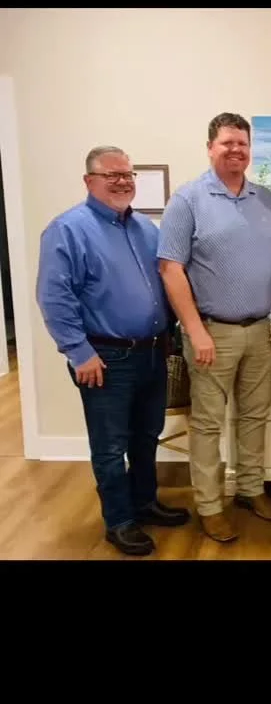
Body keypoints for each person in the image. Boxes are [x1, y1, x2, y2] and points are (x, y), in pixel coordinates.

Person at [36, 146, 190, 557]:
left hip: (152, 353)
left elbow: (165, 283)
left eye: (127, 174)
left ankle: (145, 503)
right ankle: (119, 521)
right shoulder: (67, 230)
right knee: (110, 446)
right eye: (112, 175)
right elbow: (54, 297)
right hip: (105, 359)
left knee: (146, 436)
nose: (122, 181)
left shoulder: (146, 229)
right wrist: (78, 351)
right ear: (89, 181)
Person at [157, 112, 271, 543]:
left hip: (260, 330)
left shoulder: (266, 200)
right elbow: (170, 268)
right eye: (227, 143)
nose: (236, 150)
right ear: (210, 148)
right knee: (207, 424)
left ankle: (251, 489)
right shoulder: (188, 200)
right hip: (211, 332)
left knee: (254, 416)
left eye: (242, 143)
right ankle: (210, 506)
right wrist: (194, 330)